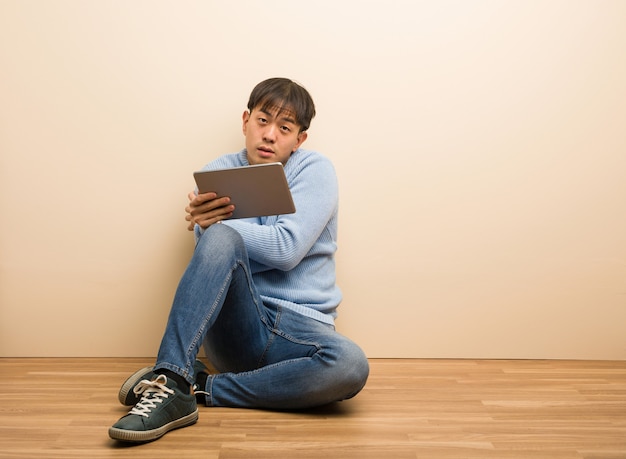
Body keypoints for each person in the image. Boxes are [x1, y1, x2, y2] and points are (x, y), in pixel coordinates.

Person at [108, 77, 369, 443]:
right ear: (245, 121)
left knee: (351, 365)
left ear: (300, 139)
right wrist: (213, 232)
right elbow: (215, 257)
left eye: (285, 127)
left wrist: (218, 224)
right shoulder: (220, 172)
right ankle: (168, 377)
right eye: (263, 121)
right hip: (239, 328)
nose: (270, 135)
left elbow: (286, 249)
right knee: (219, 238)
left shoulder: (315, 171)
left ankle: (196, 387)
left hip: (299, 336)